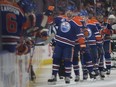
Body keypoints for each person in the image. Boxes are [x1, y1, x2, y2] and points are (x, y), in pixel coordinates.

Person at [48, 10, 86, 84]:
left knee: (67, 60)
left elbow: (80, 35)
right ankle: (54, 75)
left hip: (69, 45)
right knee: (56, 58)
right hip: (58, 43)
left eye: (71, 12)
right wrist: (49, 13)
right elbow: (50, 22)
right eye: (68, 11)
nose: (69, 13)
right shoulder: (60, 18)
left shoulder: (77, 23)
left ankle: (67, 76)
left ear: (73, 13)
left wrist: (82, 44)